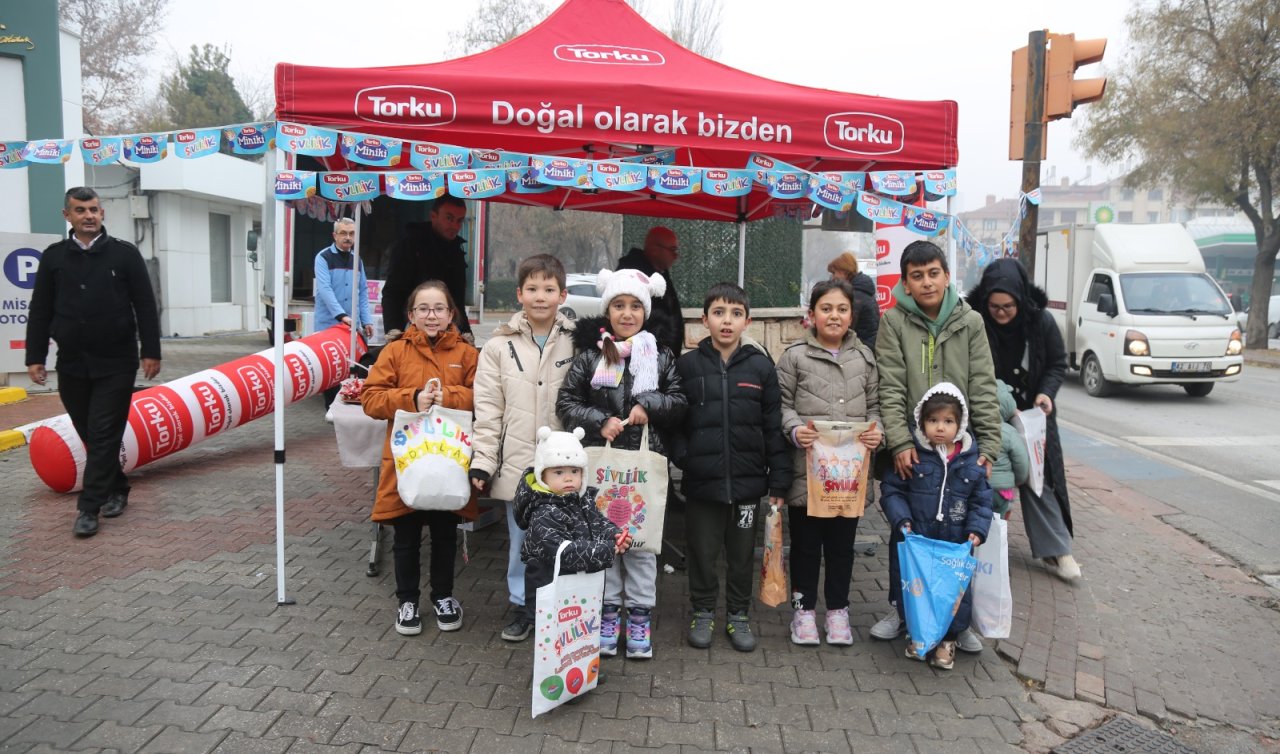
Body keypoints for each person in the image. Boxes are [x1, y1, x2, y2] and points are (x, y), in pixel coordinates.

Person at [871, 240, 1000, 654]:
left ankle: (956, 620)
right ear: (905, 283)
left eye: (933, 273)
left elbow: (983, 385)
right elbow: (890, 386)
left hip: (959, 449)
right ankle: (902, 609)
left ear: (946, 276)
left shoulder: (970, 322)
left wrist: (989, 445)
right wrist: (899, 441)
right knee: (907, 531)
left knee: (960, 536)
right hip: (913, 450)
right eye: (917, 276)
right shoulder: (894, 322)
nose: (926, 282)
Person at [557, 267, 687, 659]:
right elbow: (567, 403)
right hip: (604, 471)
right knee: (606, 545)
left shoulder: (660, 356)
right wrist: (599, 420)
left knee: (642, 549)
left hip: (644, 468)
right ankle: (609, 615)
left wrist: (649, 403)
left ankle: (640, 618)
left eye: (635, 306)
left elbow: (679, 402)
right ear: (607, 310)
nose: (627, 313)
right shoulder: (591, 356)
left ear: (645, 311)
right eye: (618, 305)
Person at [25, 187, 162, 538]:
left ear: (102, 214)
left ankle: (89, 508)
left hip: (116, 362)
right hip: (72, 362)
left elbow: (145, 305)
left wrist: (151, 350)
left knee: (103, 432)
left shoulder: (124, 255)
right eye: (81, 210)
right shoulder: (54, 257)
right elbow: (40, 310)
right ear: (67, 215)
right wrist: (35, 357)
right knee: (90, 432)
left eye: (94, 209)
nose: (88, 215)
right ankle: (118, 487)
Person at [674, 283, 791, 652]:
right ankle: (703, 611)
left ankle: (738, 615)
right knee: (702, 552)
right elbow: (674, 423)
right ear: (704, 320)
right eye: (719, 313)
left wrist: (779, 479)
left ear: (747, 322)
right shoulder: (687, 366)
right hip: (702, 484)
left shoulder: (761, 367)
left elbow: (773, 426)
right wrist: (686, 458)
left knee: (741, 556)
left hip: (747, 486)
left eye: (736, 314)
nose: (727, 321)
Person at [361, 280, 479, 636]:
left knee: (445, 534)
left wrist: (449, 397)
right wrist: (411, 398)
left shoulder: (467, 354)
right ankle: (407, 601)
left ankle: (443, 596)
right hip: (407, 462)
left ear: (451, 314)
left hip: (449, 461)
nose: (432, 315)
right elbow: (371, 398)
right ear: (411, 315)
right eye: (423, 309)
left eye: (439, 308)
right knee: (406, 535)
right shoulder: (394, 352)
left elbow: (484, 397)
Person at [470, 254, 577, 642]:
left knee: (566, 538)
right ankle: (522, 606)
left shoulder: (577, 341)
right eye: (532, 288)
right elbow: (488, 410)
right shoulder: (498, 346)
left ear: (562, 295)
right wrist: (483, 461)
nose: (540, 296)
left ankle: (561, 607)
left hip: (564, 464)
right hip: (518, 464)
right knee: (521, 541)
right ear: (519, 294)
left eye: (549, 289)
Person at [776, 279, 883, 646]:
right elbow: (781, 404)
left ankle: (838, 611)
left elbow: (875, 407)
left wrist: (877, 432)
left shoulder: (864, 359)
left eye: (841, 309)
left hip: (848, 479)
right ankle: (803, 612)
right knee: (805, 547)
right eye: (826, 309)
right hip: (807, 475)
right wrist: (794, 429)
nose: (833, 316)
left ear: (852, 315)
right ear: (812, 315)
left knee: (841, 548)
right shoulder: (794, 357)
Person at [967, 259, 1079, 581]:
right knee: (985, 476)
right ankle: (978, 545)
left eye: (1008, 306)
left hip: (1033, 415)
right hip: (987, 413)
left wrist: (1046, 394)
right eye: (994, 306)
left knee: (1039, 478)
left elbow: (1057, 363)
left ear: (1020, 299)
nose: (1001, 313)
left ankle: (1056, 550)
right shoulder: (974, 320)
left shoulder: (1041, 321)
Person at [879, 383, 993, 670]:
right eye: (933, 420)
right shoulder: (913, 455)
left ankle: (948, 640)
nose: (940, 428)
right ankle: (917, 634)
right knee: (916, 587)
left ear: (960, 424)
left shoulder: (971, 460)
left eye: (948, 421)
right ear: (922, 422)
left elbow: (981, 500)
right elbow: (892, 491)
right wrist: (902, 520)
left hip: (955, 541)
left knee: (953, 591)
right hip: (917, 537)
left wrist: (977, 530)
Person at [513, 426, 632, 626]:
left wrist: (614, 535)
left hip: (576, 592)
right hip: (551, 595)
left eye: (575, 471)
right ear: (543, 476)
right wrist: (605, 550)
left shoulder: (580, 500)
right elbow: (563, 552)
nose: (568, 478)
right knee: (555, 639)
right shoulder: (544, 511)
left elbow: (597, 522)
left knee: (578, 635)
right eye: (559, 472)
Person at [380, 196, 473, 339]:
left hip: (446, 330)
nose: (455, 226)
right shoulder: (410, 245)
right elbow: (393, 293)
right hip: (412, 327)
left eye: (459, 220)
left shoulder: (456, 251)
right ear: (433, 216)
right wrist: (393, 330)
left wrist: (466, 331)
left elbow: (457, 300)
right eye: (449, 218)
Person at [314, 217, 374, 407]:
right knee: (331, 370)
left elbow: (362, 291)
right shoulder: (323, 257)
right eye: (343, 233)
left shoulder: (357, 260)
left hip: (351, 327)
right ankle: (330, 409)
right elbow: (325, 289)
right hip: (329, 325)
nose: (348, 237)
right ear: (335, 235)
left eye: (351, 233)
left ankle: (347, 407)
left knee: (352, 368)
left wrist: (367, 320)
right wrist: (341, 316)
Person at [616, 226, 684, 355]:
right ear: (655, 249)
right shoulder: (631, 277)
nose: (676, 256)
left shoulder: (660, 273)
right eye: (672, 250)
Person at [990, 380, 1031, 519]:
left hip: (978, 487)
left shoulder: (973, 429)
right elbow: (1022, 463)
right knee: (998, 521)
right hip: (1002, 490)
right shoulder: (1009, 432)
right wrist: (1016, 481)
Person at [826, 251, 880, 349]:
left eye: (834, 273)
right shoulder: (862, 292)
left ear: (844, 272)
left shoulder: (854, 297)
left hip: (860, 350)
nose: (832, 278)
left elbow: (845, 328)